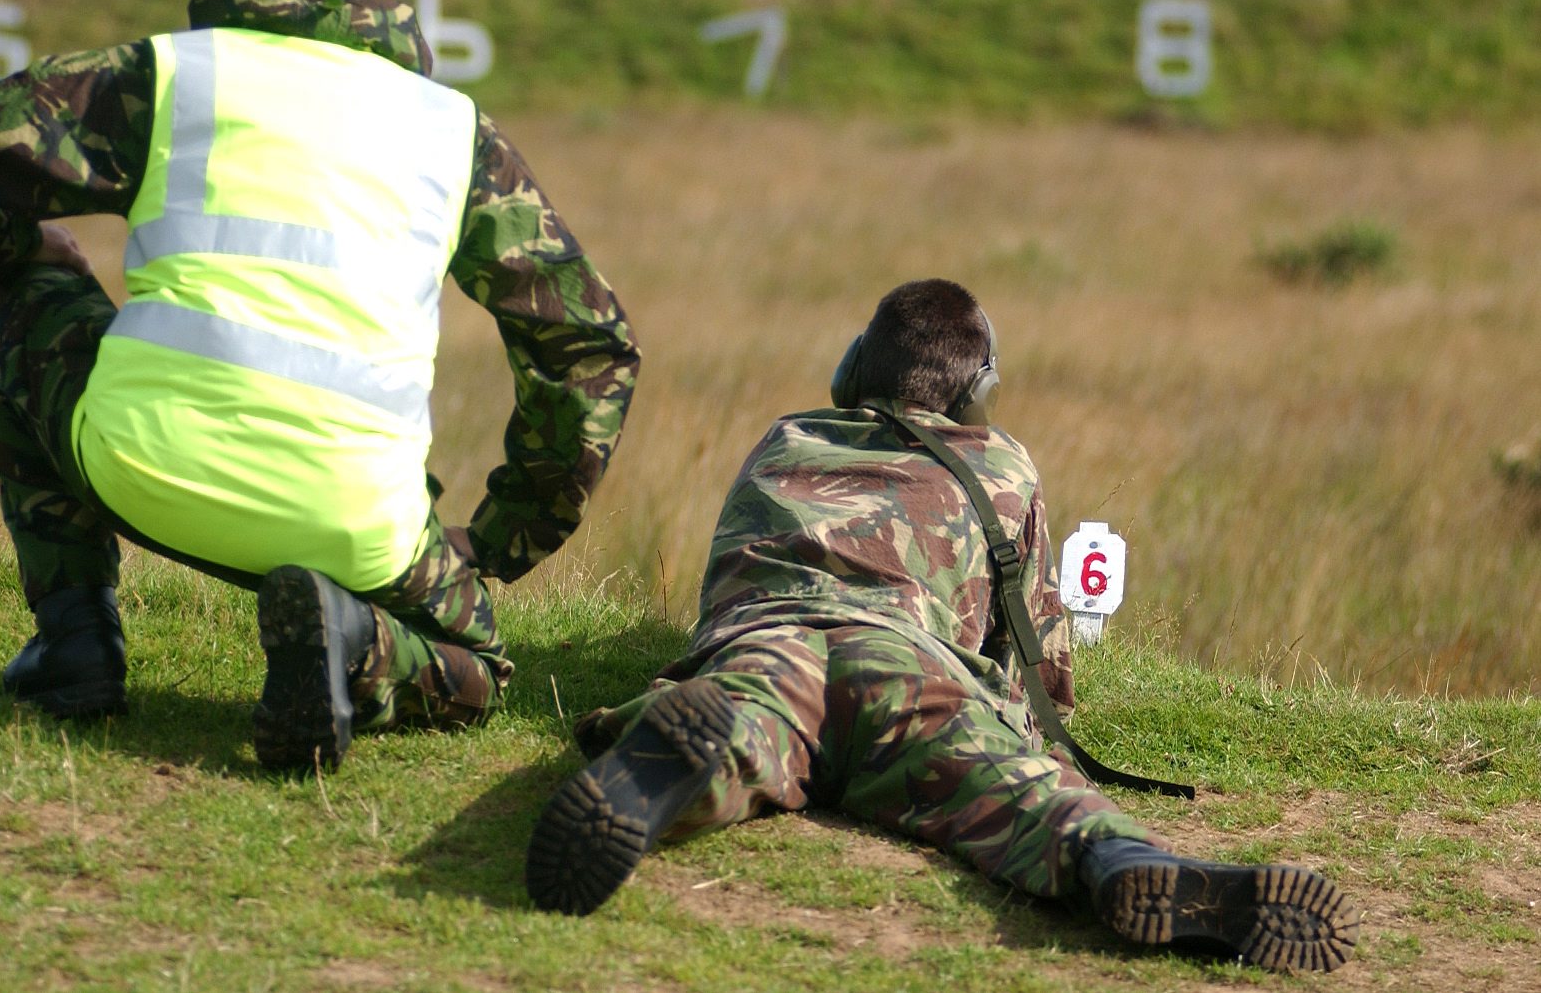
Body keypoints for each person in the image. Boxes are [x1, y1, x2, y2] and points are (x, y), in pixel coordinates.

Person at [0, 0, 640, 773]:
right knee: (477, 668)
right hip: (355, 529)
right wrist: (503, 540)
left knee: (9, 284)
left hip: (136, 468)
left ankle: (76, 643)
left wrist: (22, 245)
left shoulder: (165, 79)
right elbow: (589, 345)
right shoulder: (456, 132)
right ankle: (354, 641)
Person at [525, 280, 1357, 975]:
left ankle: (683, 754)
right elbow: (1041, 654)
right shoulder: (1002, 464)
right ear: (978, 392)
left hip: (770, 641)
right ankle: (1120, 860)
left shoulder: (787, 437)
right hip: (906, 658)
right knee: (1008, 789)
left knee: (753, 728)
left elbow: (724, 588)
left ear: (853, 369)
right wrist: (1024, 727)